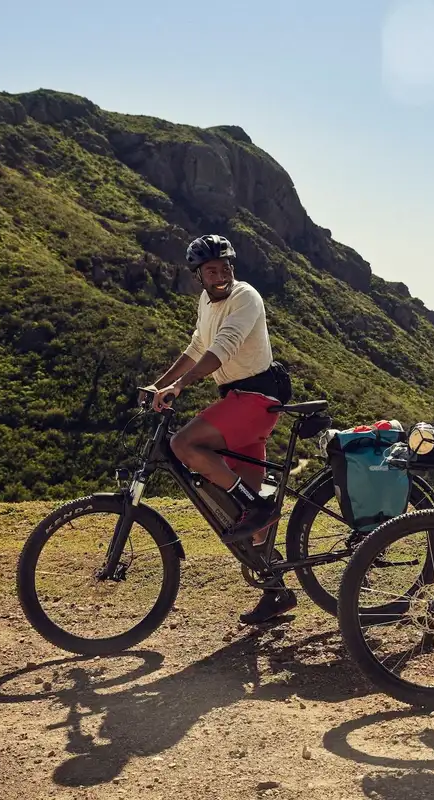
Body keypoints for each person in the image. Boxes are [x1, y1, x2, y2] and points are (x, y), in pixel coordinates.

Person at [142, 233, 297, 624]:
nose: (221, 274)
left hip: (254, 399)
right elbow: (197, 346)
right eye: (212, 269)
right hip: (239, 401)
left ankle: (257, 504)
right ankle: (277, 594)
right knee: (245, 520)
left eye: (225, 266)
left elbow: (222, 348)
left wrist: (180, 387)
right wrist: (162, 383)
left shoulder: (246, 297)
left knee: (184, 443)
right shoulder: (206, 302)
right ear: (199, 275)